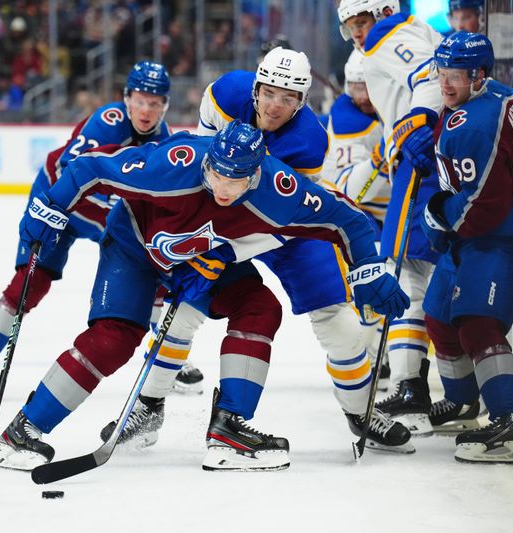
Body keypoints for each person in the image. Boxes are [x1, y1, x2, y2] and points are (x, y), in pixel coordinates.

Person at [0, 121, 411, 471]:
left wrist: (368, 271)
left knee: (259, 307)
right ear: (206, 162)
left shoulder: (278, 191)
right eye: (216, 175)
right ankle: (24, 430)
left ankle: (229, 427)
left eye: (236, 179)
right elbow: (88, 170)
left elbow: (348, 220)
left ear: (257, 174)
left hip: (199, 257)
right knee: (114, 338)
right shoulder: (173, 163)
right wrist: (46, 210)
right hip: (135, 245)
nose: (224, 188)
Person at [106, 46, 415, 454]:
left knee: (336, 320)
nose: (275, 105)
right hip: (220, 208)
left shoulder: (308, 141)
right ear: (255, 89)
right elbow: (202, 169)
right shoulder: (224, 94)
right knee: (185, 307)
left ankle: (361, 411)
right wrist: (203, 240)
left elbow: (285, 220)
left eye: (289, 98)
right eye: (270, 93)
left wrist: (227, 252)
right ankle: (148, 405)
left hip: (286, 228)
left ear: (302, 102)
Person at [0, 61, 175, 400]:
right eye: (141, 100)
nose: (146, 110)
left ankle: (166, 354)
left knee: (152, 276)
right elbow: (68, 171)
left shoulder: (163, 140)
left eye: (155, 103)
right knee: (30, 283)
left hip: (106, 217)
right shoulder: (108, 121)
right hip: (60, 206)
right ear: (127, 99)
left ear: (165, 106)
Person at [421, 32, 513, 463]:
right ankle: (463, 401)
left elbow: (484, 202)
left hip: (495, 238)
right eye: (442, 72)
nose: (446, 82)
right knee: (437, 316)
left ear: (480, 75)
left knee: (478, 325)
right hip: (469, 237)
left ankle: (510, 421)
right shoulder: (477, 104)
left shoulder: (478, 120)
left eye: (456, 75)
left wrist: (436, 218)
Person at [337, 0, 444, 435]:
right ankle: (423, 384)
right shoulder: (417, 29)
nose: (358, 34)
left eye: (362, 22)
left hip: (418, 167)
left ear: (380, 13)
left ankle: (409, 387)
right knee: (419, 276)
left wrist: (418, 124)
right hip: (421, 158)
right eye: (350, 28)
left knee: (407, 275)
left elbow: (428, 80)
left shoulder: (389, 38)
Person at [321, 49, 391, 390]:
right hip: (354, 210)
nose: (361, 96)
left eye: (367, 86)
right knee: (370, 278)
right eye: (354, 87)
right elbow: (353, 190)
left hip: (388, 207)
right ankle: (370, 353)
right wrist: (381, 160)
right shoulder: (349, 119)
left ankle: (382, 350)